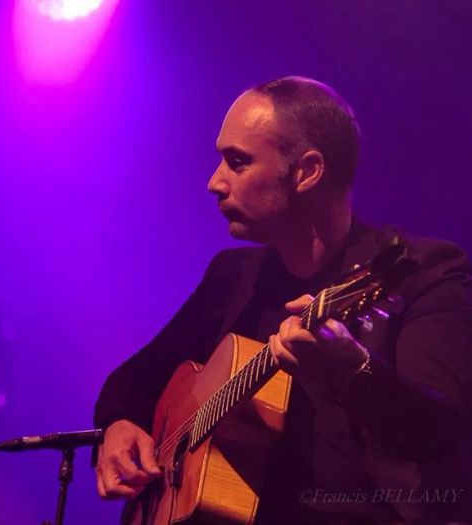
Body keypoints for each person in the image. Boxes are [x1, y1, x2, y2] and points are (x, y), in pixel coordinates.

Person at [93, 76, 472, 524]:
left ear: (307, 172)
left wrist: (353, 371)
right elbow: (134, 381)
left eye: (237, 162)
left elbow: (441, 428)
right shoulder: (233, 278)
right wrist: (118, 425)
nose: (214, 182)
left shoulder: (423, 272)